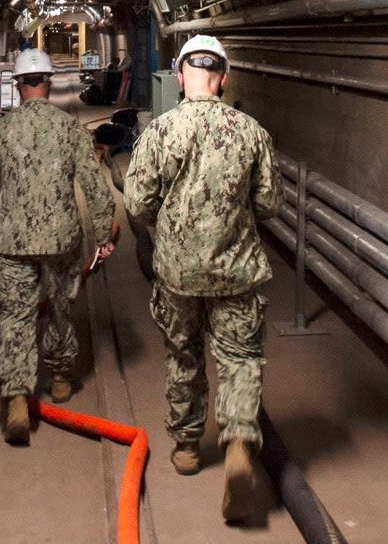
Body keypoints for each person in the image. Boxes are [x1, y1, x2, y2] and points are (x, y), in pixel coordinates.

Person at [123, 34, 282, 523]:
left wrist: (166, 231)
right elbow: (269, 205)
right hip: (237, 271)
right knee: (239, 360)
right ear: (224, 76)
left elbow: (136, 202)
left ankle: (189, 448)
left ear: (179, 74)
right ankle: (237, 444)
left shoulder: (161, 131)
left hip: (177, 274)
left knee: (184, 355)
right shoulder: (251, 132)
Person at [0, 47, 116, 445]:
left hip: (12, 242)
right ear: (48, 83)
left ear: (18, 85)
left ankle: (17, 396)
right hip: (62, 240)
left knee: (16, 319)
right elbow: (95, 187)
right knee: (60, 310)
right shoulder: (70, 129)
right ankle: (60, 378)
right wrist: (103, 236)